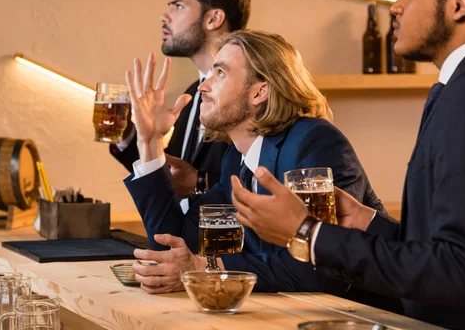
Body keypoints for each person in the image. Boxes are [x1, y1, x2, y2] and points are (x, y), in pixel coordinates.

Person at [231, 0, 465, 328]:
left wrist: (307, 233)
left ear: (459, 2)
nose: (396, 7)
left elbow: (460, 274)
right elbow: (457, 253)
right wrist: (369, 224)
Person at [123, 29, 396, 311]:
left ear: (259, 92)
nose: (203, 87)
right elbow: (174, 244)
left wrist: (207, 266)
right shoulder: (236, 159)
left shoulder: (313, 142)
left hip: (364, 317)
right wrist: (150, 141)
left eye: (220, 73)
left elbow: (321, 268)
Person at [110, 0, 251, 206]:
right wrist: (137, 137)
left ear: (213, 18)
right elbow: (173, 175)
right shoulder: (191, 96)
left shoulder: (249, 94)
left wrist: (200, 182)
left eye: (178, 6)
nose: (164, 16)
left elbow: (264, 179)